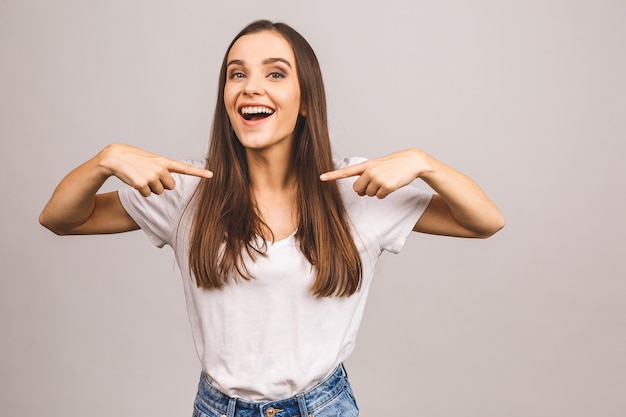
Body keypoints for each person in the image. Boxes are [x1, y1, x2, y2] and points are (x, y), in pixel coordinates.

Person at [40, 19, 504, 417]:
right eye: (235, 74)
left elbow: (484, 221)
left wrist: (425, 163)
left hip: (324, 406)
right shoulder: (185, 192)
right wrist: (105, 160)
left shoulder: (356, 188)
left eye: (275, 73)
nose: (250, 86)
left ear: (305, 101)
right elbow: (61, 218)